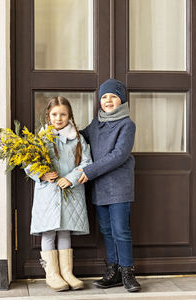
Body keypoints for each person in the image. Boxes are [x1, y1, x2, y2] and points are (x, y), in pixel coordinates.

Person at [78, 78, 141, 293]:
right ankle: (113, 271)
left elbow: (119, 155)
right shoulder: (96, 124)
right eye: (104, 97)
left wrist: (88, 171)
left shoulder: (127, 124)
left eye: (113, 96)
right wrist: (56, 132)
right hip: (99, 187)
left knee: (121, 230)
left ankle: (127, 272)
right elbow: (79, 138)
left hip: (119, 186)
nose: (108, 100)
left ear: (121, 100)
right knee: (106, 230)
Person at [25, 96, 92, 291]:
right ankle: (52, 274)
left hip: (70, 191)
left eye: (63, 114)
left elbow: (86, 162)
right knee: (48, 232)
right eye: (54, 114)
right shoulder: (41, 138)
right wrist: (42, 174)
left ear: (69, 115)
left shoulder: (78, 138)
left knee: (65, 231)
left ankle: (67, 272)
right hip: (48, 194)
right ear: (48, 116)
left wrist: (70, 178)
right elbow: (28, 163)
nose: (58, 118)